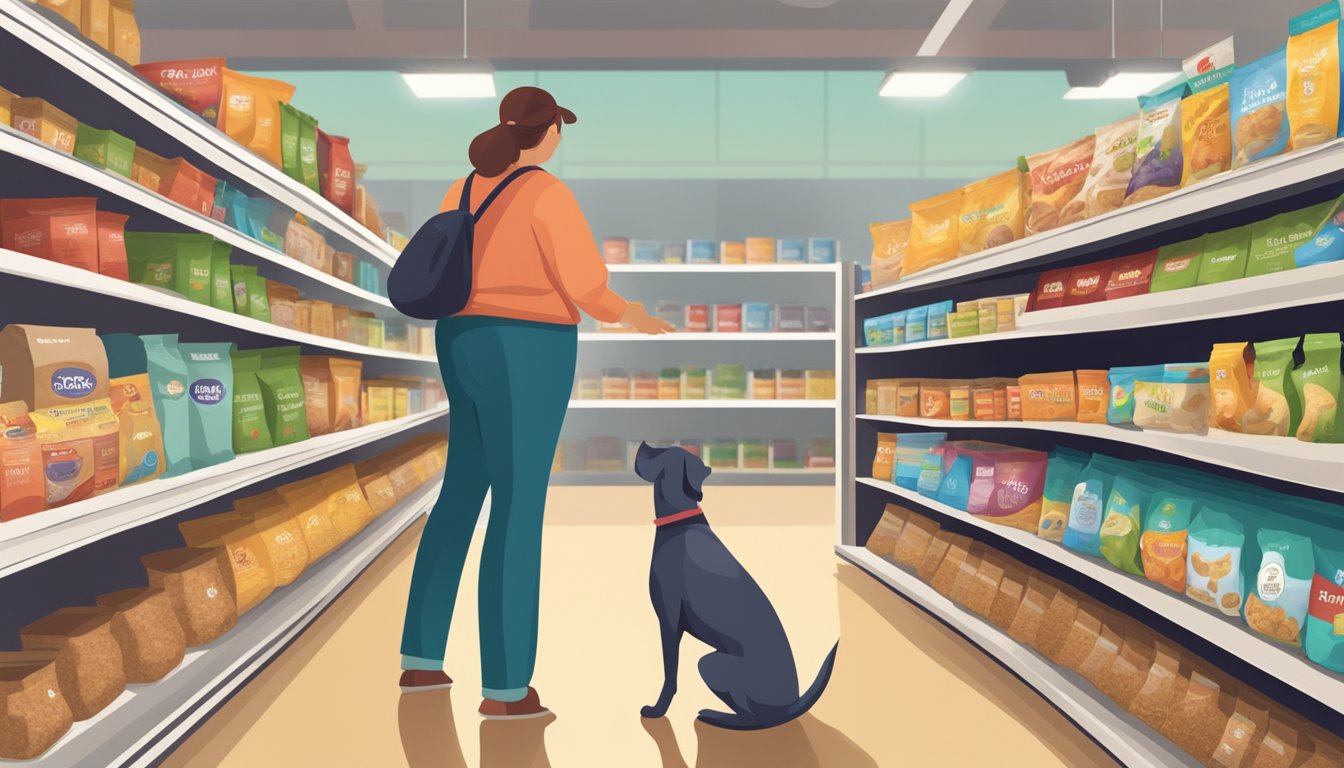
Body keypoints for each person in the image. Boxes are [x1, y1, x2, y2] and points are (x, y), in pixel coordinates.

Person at [398, 86, 673, 718]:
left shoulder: (463, 187)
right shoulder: (546, 193)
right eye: (559, 129)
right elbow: (583, 285)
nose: (559, 138)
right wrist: (631, 315)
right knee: (518, 506)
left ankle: (421, 659)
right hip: (528, 347)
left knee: (461, 492)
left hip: (459, 338)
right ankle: (505, 687)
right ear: (547, 131)